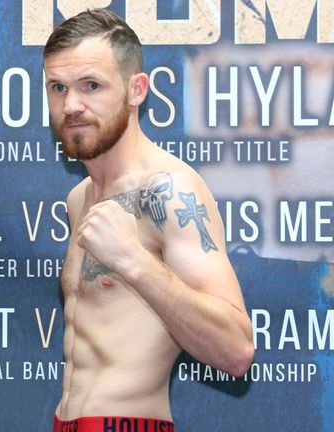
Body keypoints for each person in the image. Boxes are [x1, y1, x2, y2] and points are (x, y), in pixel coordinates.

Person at [43, 9, 254, 431]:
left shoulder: (168, 190)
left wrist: (133, 261)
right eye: (58, 87)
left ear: (136, 89)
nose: (71, 105)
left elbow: (236, 350)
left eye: (91, 86)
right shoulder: (78, 198)